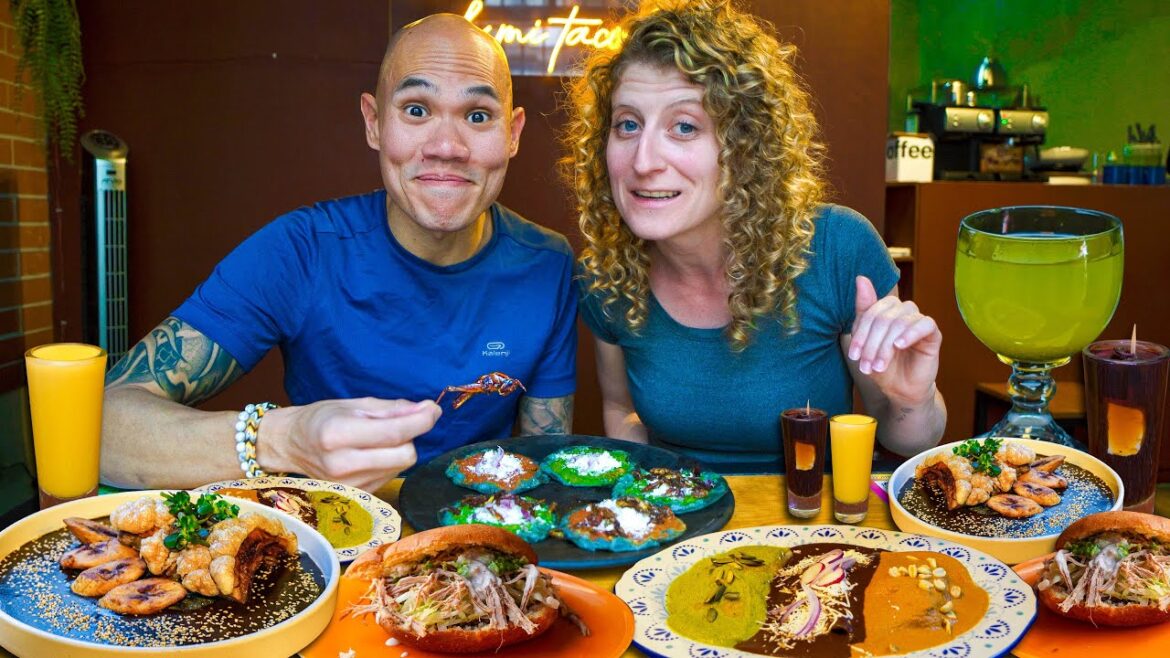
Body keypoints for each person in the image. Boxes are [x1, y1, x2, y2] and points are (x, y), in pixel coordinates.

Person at [102, 14, 577, 491]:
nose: (447, 147)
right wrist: (282, 439)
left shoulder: (548, 264)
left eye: (477, 116)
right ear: (374, 123)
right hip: (327, 528)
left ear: (513, 133)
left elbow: (547, 467)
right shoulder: (300, 251)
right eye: (416, 110)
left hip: (475, 529)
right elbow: (102, 426)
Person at [564, 0, 945, 472]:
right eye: (627, 124)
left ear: (746, 145)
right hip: (680, 511)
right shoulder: (608, 274)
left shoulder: (836, 248)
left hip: (810, 515)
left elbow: (909, 439)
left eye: (684, 127)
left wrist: (911, 399)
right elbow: (622, 410)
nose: (643, 161)